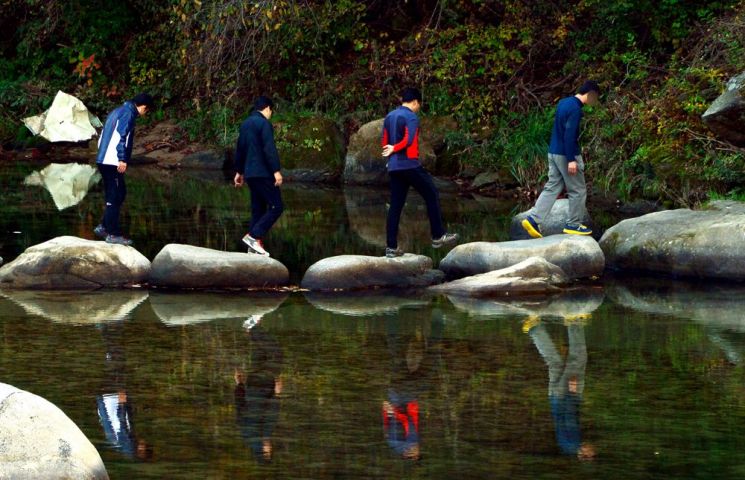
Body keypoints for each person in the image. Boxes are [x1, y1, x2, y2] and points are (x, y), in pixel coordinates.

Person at [381, 87, 459, 258]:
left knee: (395, 206)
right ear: (415, 102)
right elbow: (408, 141)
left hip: (394, 167)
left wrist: (391, 155)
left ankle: (391, 247)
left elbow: (384, 143)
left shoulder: (389, 116)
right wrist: (396, 147)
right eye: (419, 105)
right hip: (409, 165)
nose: (418, 108)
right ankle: (438, 236)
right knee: (431, 193)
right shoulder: (410, 116)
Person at [521, 81, 600, 239]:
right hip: (566, 154)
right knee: (578, 190)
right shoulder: (576, 109)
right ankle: (573, 224)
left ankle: (533, 219)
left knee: (552, 187)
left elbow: (558, 129)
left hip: (553, 152)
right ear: (590, 93)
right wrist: (571, 160)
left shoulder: (564, 102)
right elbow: (569, 135)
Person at [94, 93, 154, 246]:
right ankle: (112, 234)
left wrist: (101, 155)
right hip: (112, 160)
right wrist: (122, 158)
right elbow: (122, 136)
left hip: (103, 159)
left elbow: (102, 136)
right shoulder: (128, 114)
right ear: (143, 107)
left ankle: (103, 226)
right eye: (146, 111)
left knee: (116, 193)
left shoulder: (117, 111)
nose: (144, 113)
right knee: (116, 195)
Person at [234, 96, 284, 257]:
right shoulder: (264, 123)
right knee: (277, 206)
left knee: (258, 209)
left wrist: (239, 171)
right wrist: (276, 171)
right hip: (263, 173)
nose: (271, 114)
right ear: (267, 108)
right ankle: (254, 237)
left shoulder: (245, 123)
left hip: (250, 174)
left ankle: (253, 247)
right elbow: (269, 148)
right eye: (271, 111)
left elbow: (240, 148)